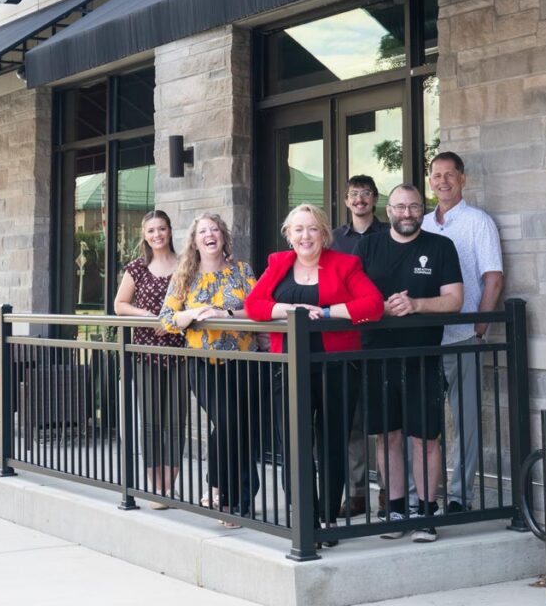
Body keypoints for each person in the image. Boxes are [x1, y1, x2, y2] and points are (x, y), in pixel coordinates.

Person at [245, 203, 383, 545]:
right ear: (289, 235)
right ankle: (303, 515)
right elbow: (253, 306)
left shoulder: (345, 264)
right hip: (289, 365)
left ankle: (327, 518)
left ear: (324, 233)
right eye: (298, 229)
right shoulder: (278, 264)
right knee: (294, 442)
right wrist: (290, 310)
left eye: (312, 229)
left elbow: (373, 306)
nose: (305, 236)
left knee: (333, 443)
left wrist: (323, 311)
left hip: (336, 367)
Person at [358, 184, 463, 543]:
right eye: (400, 206)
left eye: (414, 207)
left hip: (423, 357)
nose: (407, 213)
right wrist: (380, 307)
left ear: (423, 209)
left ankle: (426, 512)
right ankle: (396, 509)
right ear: (388, 210)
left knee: (425, 439)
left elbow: (455, 301)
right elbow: (353, 296)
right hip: (377, 356)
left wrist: (416, 305)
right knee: (388, 436)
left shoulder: (440, 247)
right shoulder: (367, 246)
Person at [159, 212, 259, 527]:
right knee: (228, 420)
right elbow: (165, 319)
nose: (209, 235)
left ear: (224, 237)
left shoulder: (242, 270)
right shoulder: (184, 275)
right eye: (203, 231)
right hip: (203, 361)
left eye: (214, 229)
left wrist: (227, 312)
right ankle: (218, 488)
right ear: (195, 240)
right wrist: (194, 313)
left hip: (245, 361)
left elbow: (259, 309)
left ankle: (241, 500)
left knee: (242, 429)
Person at [421, 151, 504, 511]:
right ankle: (422, 496)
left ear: (462, 179)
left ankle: (459, 496)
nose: (442, 181)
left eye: (449, 175)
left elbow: (493, 279)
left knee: (465, 419)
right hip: (423, 339)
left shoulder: (477, 222)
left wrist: (479, 327)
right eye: (436, 175)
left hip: (463, 337)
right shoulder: (420, 224)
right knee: (422, 423)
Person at [114, 209, 185, 507]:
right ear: (144, 235)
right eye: (151, 230)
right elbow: (120, 305)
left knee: (176, 420)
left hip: (180, 351)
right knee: (152, 421)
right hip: (146, 352)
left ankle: (171, 486)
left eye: (162, 229)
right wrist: (147, 315)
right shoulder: (137, 268)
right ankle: (154, 487)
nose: (157, 235)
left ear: (170, 231)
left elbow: (195, 300)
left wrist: (173, 319)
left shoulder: (185, 265)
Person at [331, 174, 386, 517]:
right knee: (351, 420)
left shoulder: (388, 234)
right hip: (347, 339)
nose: (360, 199)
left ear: (374, 199)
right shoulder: (335, 239)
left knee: (383, 419)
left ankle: (388, 493)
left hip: (382, 337)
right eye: (354, 195)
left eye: (366, 194)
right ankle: (356, 492)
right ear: (347, 201)